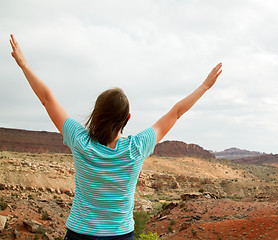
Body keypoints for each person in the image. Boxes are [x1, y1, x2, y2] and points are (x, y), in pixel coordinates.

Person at [9, 34, 222, 240]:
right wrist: (204, 86)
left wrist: (24, 65)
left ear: (97, 114)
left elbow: (47, 99)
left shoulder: (80, 141)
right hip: (120, 235)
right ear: (128, 117)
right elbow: (176, 112)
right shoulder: (137, 148)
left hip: (79, 234)